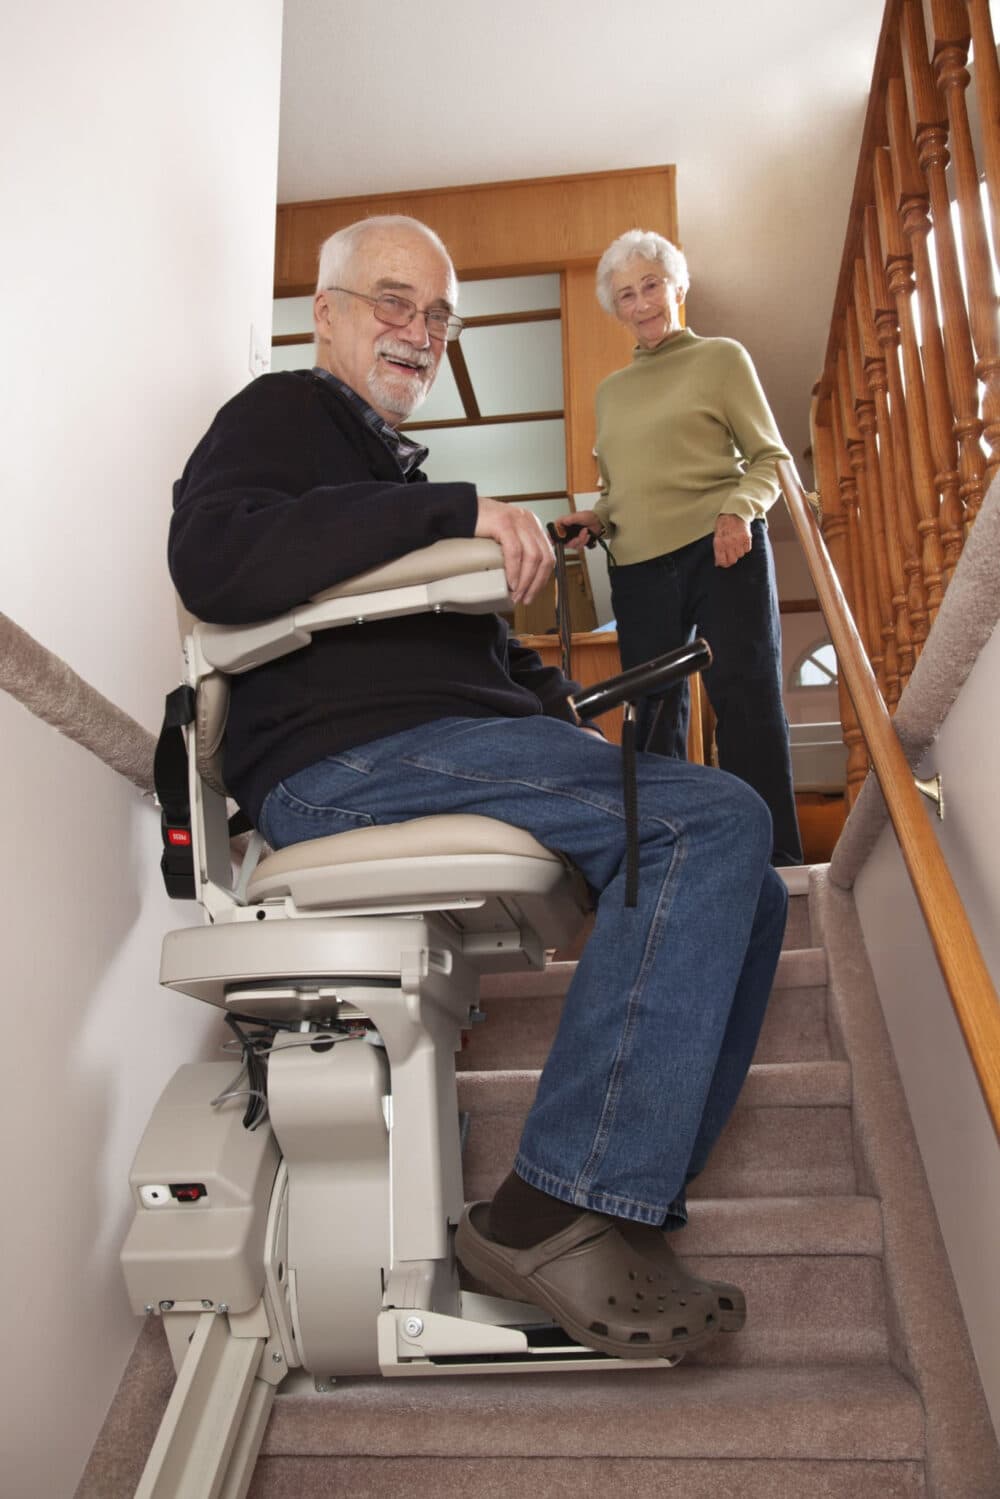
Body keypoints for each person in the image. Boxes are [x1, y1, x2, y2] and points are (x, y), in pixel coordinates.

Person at [169, 214, 787, 1362]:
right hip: (343, 758)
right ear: (329, 314)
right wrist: (452, 513)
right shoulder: (284, 415)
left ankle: (615, 1203)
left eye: (437, 313)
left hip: (437, 742)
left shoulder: (401, 480)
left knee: (747, 880)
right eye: (392, 302)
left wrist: (546, 692)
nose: (417, 330)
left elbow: (484, 665)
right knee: (713, 816)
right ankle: (551, 1205)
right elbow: (212, 557)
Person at [556, 230, 803, 867]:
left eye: (652, 285)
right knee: (652, 719)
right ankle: (672, 857)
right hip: (639, 568)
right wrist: (598, 519)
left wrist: (737, 512)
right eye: (627, 294)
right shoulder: (611, 392)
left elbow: (770, 458)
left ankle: (774, 860)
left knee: (744, 700)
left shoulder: (721, 358)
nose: (641, 303)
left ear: (677, 287)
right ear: (616, 308)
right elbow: (623, 489)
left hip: (721, 549)